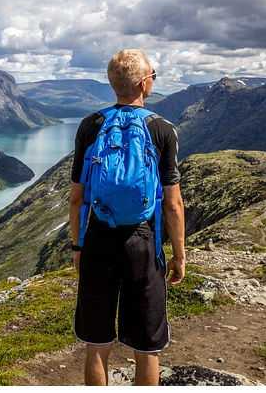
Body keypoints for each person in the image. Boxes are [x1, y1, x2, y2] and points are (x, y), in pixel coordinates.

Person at [69, 49, 186, 386]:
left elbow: (78, 198)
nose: (153, 79)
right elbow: (173, 204)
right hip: (143, 243)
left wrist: (78, 247)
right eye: (153, 74)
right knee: (147, 348)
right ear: (142, 84)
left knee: (97, 345)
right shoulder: (162, 129)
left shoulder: (91, 125)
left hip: (98, 240)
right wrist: (178, 255)